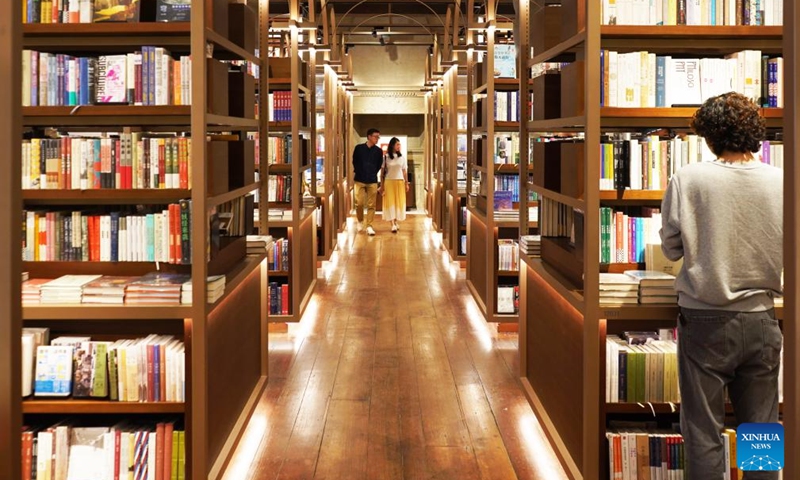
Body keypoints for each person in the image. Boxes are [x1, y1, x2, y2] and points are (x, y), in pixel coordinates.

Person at [660, 92, 783, 479]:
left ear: (709, 136)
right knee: (761, 430)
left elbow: (671, 246)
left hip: (705, 320)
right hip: (763, 318)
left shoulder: (689, 178)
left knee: (703, 431)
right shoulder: (784, 180)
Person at [352, 128, 384, 236]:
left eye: (378, 137)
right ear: (369, 136)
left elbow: (379, 164)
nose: (377, 139)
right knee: (359, 203)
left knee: (372, 204)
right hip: (359, 179)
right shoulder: (359, 148)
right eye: (375, 136)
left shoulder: (378, 151)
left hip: (372, 180)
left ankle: (369, 225)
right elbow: (354, 161)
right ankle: (360, 220)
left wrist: (373, 172)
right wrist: (359, 171)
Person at [381, 137, 409, 233]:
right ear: (392, 145)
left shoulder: (402, 158)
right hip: (389, 181)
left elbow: (404, 171)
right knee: (390, 202)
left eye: (399, 144)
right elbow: (382, 172)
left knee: (398, 202)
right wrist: (381, 185)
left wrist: (406, 183)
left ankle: (396, 221)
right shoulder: (386, 157)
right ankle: (392, 224)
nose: (399, 146)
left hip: (400, 182)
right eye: (397, 144)